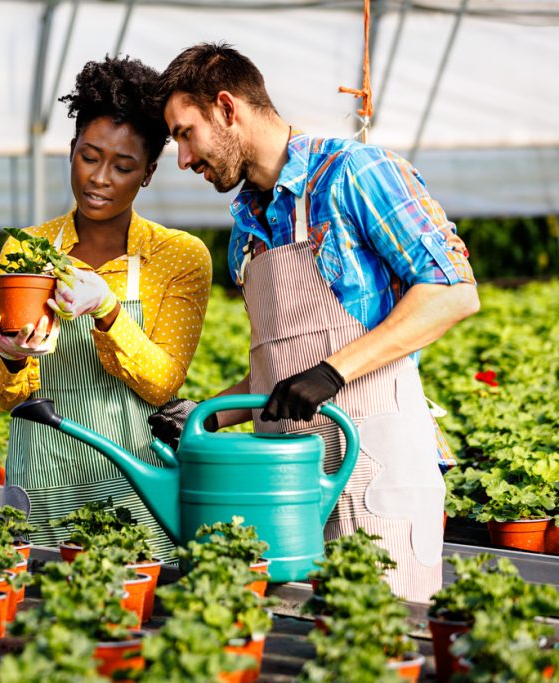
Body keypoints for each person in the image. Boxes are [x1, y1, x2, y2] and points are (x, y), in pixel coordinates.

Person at [147, 43, 478, 601]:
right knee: (299, 648)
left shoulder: (356, 173)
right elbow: (281, 375)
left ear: (227, 108)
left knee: (376, 640)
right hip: (282, 486)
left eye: (184, 133)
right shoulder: (246, 233)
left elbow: (453, 291)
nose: (182, 159)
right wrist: (208, 415)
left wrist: (333, 372)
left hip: (373, 466)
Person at [0, 56, 212, 560]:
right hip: (41, 478)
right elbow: (5, 397)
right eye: (89, 157)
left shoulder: (179, 256)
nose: (100, 178)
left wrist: (108, 310)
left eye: (124, 166)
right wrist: (12, 357)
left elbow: (161, 382)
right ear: (71, 152)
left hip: (133, 483)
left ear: (149, 173)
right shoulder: (28, 250)